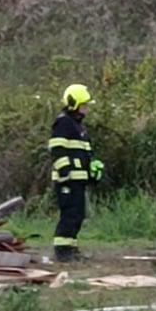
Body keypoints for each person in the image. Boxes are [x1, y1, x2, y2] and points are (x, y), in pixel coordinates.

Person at [49, 84, 104, 262]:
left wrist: (93, 168)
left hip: (78, 180)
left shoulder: (79, 126)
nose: (86, 108)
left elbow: (85, 153)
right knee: (69, 215)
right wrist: (65, 173)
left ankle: (71, 249)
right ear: (74, 104)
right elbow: (57, 149)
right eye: (84, 105)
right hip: (68, 180)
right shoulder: (63, 122)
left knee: (78, 215)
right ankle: (62, 251)